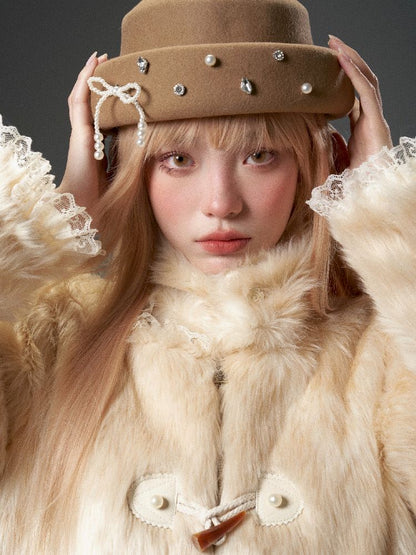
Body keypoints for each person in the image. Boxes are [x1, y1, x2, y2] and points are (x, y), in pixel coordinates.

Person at [0, 0, 415, 552]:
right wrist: (52, 225)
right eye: (177, 159)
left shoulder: (387, 351)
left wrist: (385, 217)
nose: (221, 203)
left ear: (318, 164)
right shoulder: (50, 341)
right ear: (125, 169)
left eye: (260, 155)